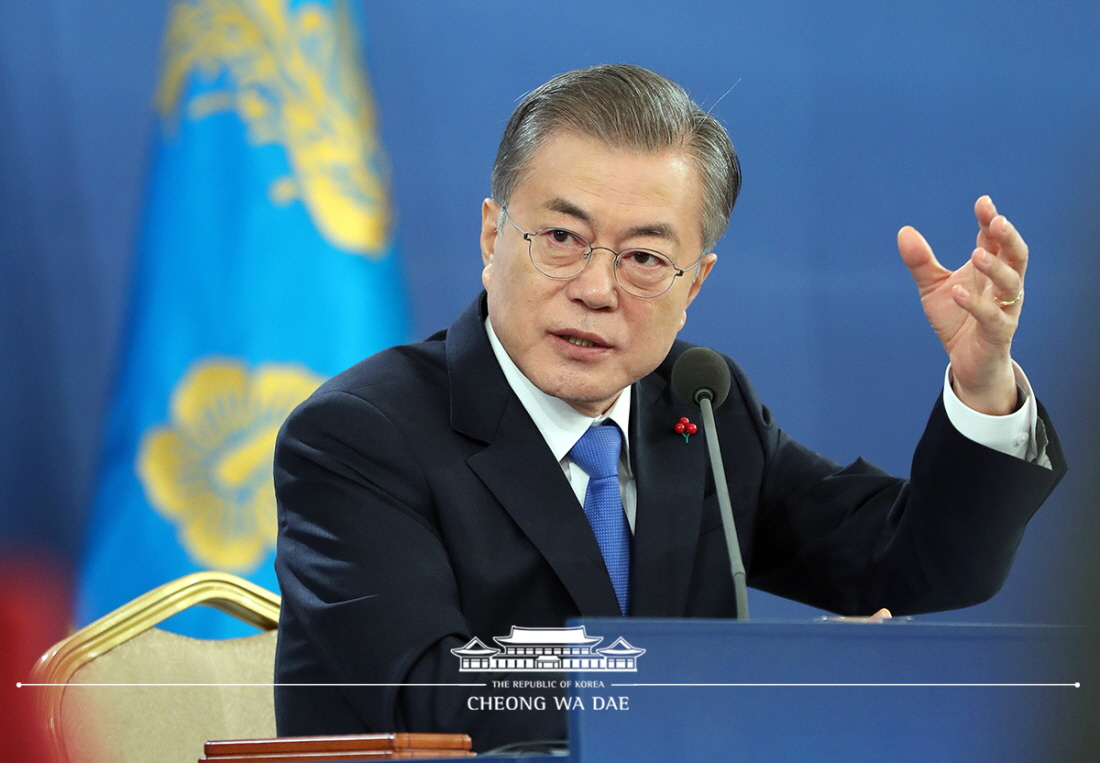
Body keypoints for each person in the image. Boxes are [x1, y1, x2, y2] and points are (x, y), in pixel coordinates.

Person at [272, 64, 1065, 752]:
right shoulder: (358, 435)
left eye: (646, 257)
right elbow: (431, 692)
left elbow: (915, 565)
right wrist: (732, 679)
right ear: (491, 235)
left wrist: (983, 378)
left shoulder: (699, 406)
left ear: (696, 284)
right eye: (560, 237)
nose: (594, 286)